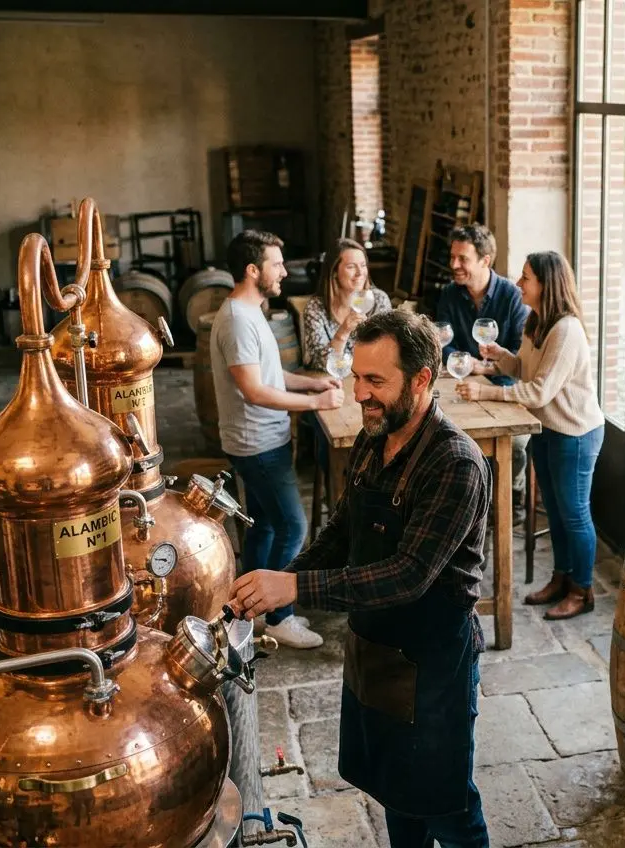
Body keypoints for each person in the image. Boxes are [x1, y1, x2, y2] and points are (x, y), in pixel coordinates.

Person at [229, 311, 492, 847]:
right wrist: (278, 583)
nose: (360, 393)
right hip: (377, 649)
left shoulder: (455, 463)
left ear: (422, 380)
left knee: (447, 805)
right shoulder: (377, 440)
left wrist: (297, 590)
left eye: (376, 381)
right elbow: (341, 534)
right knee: (397, 792)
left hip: (432, 661)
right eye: (356, 376)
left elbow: (409, 575)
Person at [210, 229, 342, 650]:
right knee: (293, 526)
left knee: (265, 525)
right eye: (276, 264)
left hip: (265, 439)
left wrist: (311, 385)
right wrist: (317, 405)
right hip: (257, 444)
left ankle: (252, 608)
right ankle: (280, 617)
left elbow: (271, 377)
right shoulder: (235, 320)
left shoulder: (252, 313)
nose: (285, 270)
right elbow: (254, 391)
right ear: (253, 270)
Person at [455, 251, 604, 620]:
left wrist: (486, 390)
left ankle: (583, 590)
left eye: (525, 278)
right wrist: (500, 356)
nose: (518, 284)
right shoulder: (537, 322)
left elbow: (539, 392)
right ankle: (561, 577)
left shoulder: (566, 330)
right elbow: (524, 370)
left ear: (545, 284)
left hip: (575, 434)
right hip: (546, 429)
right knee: (553, 513)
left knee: (574, 514)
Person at [435, 225, 531, 519]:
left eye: (462, 259)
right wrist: (463, 364)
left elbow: (520, 357)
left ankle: (507, 498)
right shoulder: (450, 295)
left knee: (513, 444)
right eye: (452, 257)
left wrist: (485, 367)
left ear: (485, 261)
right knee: (442, 437)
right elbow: (442, 343)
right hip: (461, 385)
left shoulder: (512, 297)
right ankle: (469, 503)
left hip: (504, 387)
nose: (454, 265)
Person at [301, 238, 392, 372]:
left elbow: (387, 353)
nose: (360, 273)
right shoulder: (316, 308)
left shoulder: (378, 300)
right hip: (331, 383)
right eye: (351, 266)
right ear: (335, 272)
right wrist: (342, 333)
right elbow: (319, 364)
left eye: (363, 265)